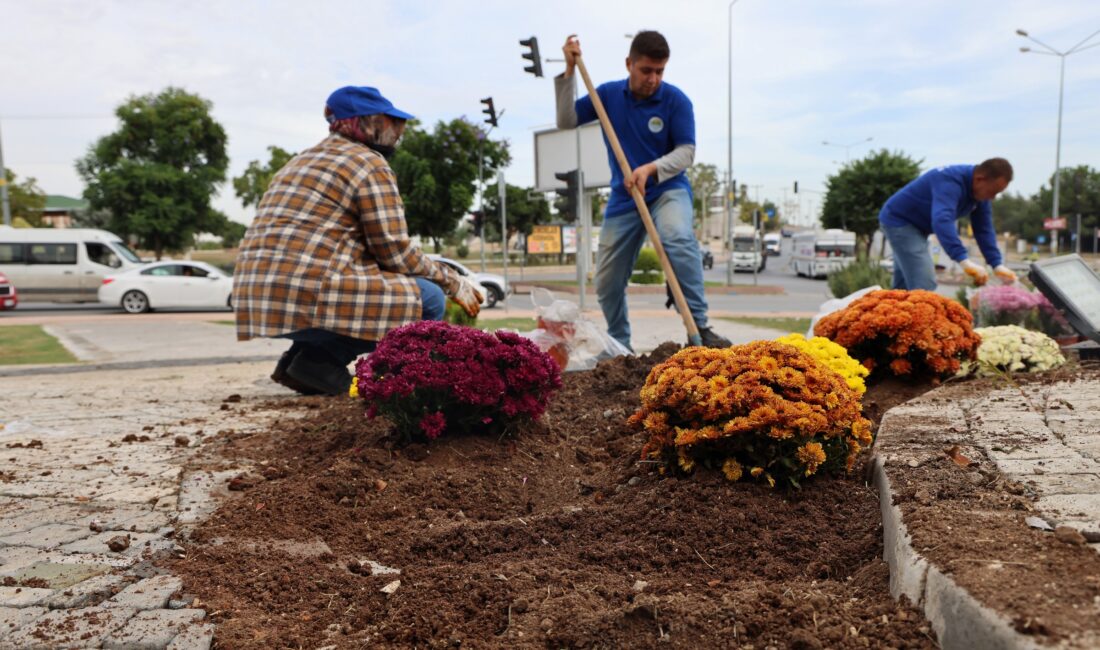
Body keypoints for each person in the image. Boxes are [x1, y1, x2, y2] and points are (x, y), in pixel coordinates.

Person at [234, 85, 484, 396]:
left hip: (257, 297)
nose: (400, 131)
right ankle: (400, 390)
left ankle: (306, 362)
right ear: (366, 122)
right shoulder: (368, 163)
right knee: (429, 298)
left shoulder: (299, 161)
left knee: (351, 288)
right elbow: (396, 253)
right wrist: (452, 281)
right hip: (300, 294)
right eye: (392, 122)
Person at [555, 32, 731, 351]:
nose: (653, 79)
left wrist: (650, 169)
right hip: (624, 198)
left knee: (677, 236)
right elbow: (567, 121)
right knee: (606, 279)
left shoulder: (675, 101)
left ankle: (700, 329)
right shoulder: (607, 95)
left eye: (660, 71)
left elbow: (686, 153)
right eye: (646, 70)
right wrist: (569, 71)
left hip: (667, 190)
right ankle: (620, 343)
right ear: (629, 64)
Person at [879, 158, 1018, 291]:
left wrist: (996, 263)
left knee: (902, 287)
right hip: (900, 222)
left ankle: (890, 313)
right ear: (979, 179)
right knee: (924, 283)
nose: (992, 197)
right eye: (992, 192)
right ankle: (922, 314)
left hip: (919, 227)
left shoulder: (980, 194)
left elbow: (984, 229)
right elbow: (942, 220)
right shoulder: (949, 181)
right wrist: (963, 259)